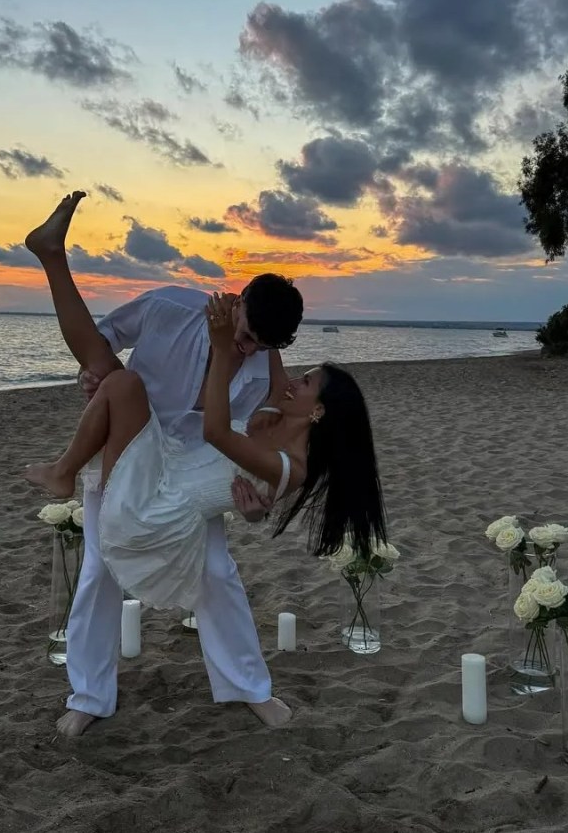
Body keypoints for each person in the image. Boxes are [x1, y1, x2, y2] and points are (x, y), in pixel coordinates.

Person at [24, 191, 387, 737]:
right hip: (131, 449)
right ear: (235, 300)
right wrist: (93, 382)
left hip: (195, 471)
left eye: (259, 346)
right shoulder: (170, 307)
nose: (243, 349)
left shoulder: (265, 362)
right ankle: (89, 697)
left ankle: (249, 688)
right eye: (242, 336)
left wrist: (260, 507)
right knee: (99, 571)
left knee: (218, 572)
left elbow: (267, 453)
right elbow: (103, 345)